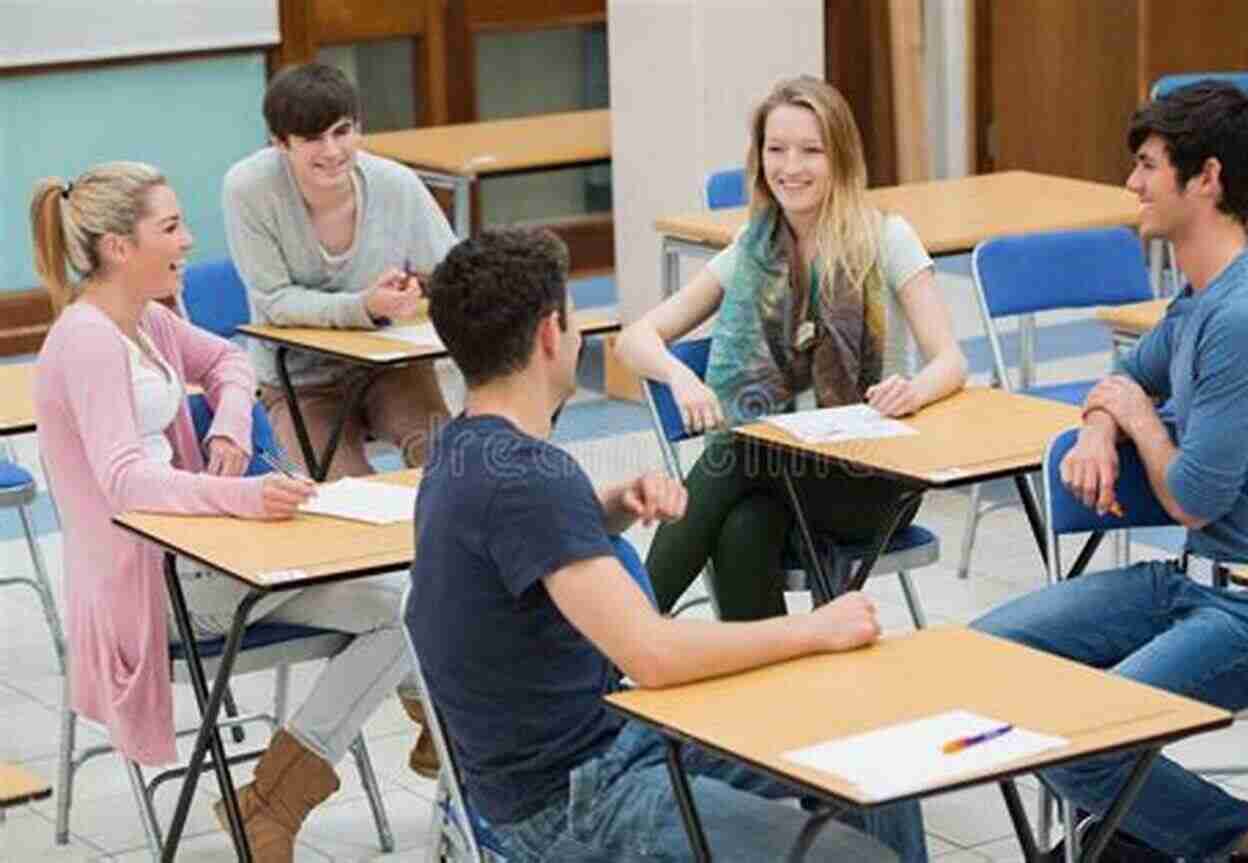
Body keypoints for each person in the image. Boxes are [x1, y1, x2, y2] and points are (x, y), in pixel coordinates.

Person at [407, 227, 928, 862]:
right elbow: (653, 654)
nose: (579, 337)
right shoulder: (529, 480)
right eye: (573, 323)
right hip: (576, 798)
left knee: (875, 741)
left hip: (593, 750)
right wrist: (816, 629)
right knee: (857, 859)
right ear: (549, 333)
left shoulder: (461, 450)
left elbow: (519, 553)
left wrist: (605, 509)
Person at [31, 162, 433, 863]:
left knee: (406, 601)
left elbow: (233, 364)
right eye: (171, 227)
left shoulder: (146, 319)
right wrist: (243, 496)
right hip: (152, 587)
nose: (188, 240)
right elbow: (125, 482)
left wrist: (230, 429)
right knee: (404, 608)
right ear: (120, 248)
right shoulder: (88, 339)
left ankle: (267, 802)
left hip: (201, 556)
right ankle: (371, 750)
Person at [973, 81, 1248, 863]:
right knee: (981, 661)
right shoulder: (1199, 297)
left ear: (1207, 178)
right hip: (1192, 583)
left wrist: (1138, 417)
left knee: (1085, 741)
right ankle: (1144, 835)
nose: (1132, 183)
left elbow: (1191, 496)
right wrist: (1097, 425)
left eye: (1148, 165)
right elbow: (1123, 372)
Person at [615, 76, 966, 621]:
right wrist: (682, 377)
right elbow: (636, 339)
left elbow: (951, 361)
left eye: (810, 151)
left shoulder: (886, 238)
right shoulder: (754, 247)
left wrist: (912, 389)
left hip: (872, 478)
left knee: (737, 448)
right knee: (742, 528)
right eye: (776, 150)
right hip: (780, 479)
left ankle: (621, 640)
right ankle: (764, 688)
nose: (790, 167)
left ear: (841, 157)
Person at [223, 61, 455, 480]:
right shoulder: (248, 190)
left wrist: (419, 291)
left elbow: (457, 273)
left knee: (450, 465)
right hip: (299, 381)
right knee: (345, 498)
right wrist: (363, 306)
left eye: (342, 132)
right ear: (280, 142)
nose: (332, 151)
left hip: (390, 368)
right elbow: (274, 301)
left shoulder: (395, 183)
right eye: (312, 139)